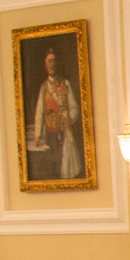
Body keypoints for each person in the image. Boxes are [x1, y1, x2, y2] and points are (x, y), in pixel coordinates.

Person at [23, 47, 84, 180]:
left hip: (64, 131)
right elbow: (39, 112)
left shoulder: (65, 83)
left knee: (65, 165)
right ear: (45, 65)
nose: (52, 64)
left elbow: (74, 107)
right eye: (49, 61)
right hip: (50, 133)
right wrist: (37, 135)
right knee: (52, 163)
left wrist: (70, 118)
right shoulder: (44, 87)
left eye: (54, 61)